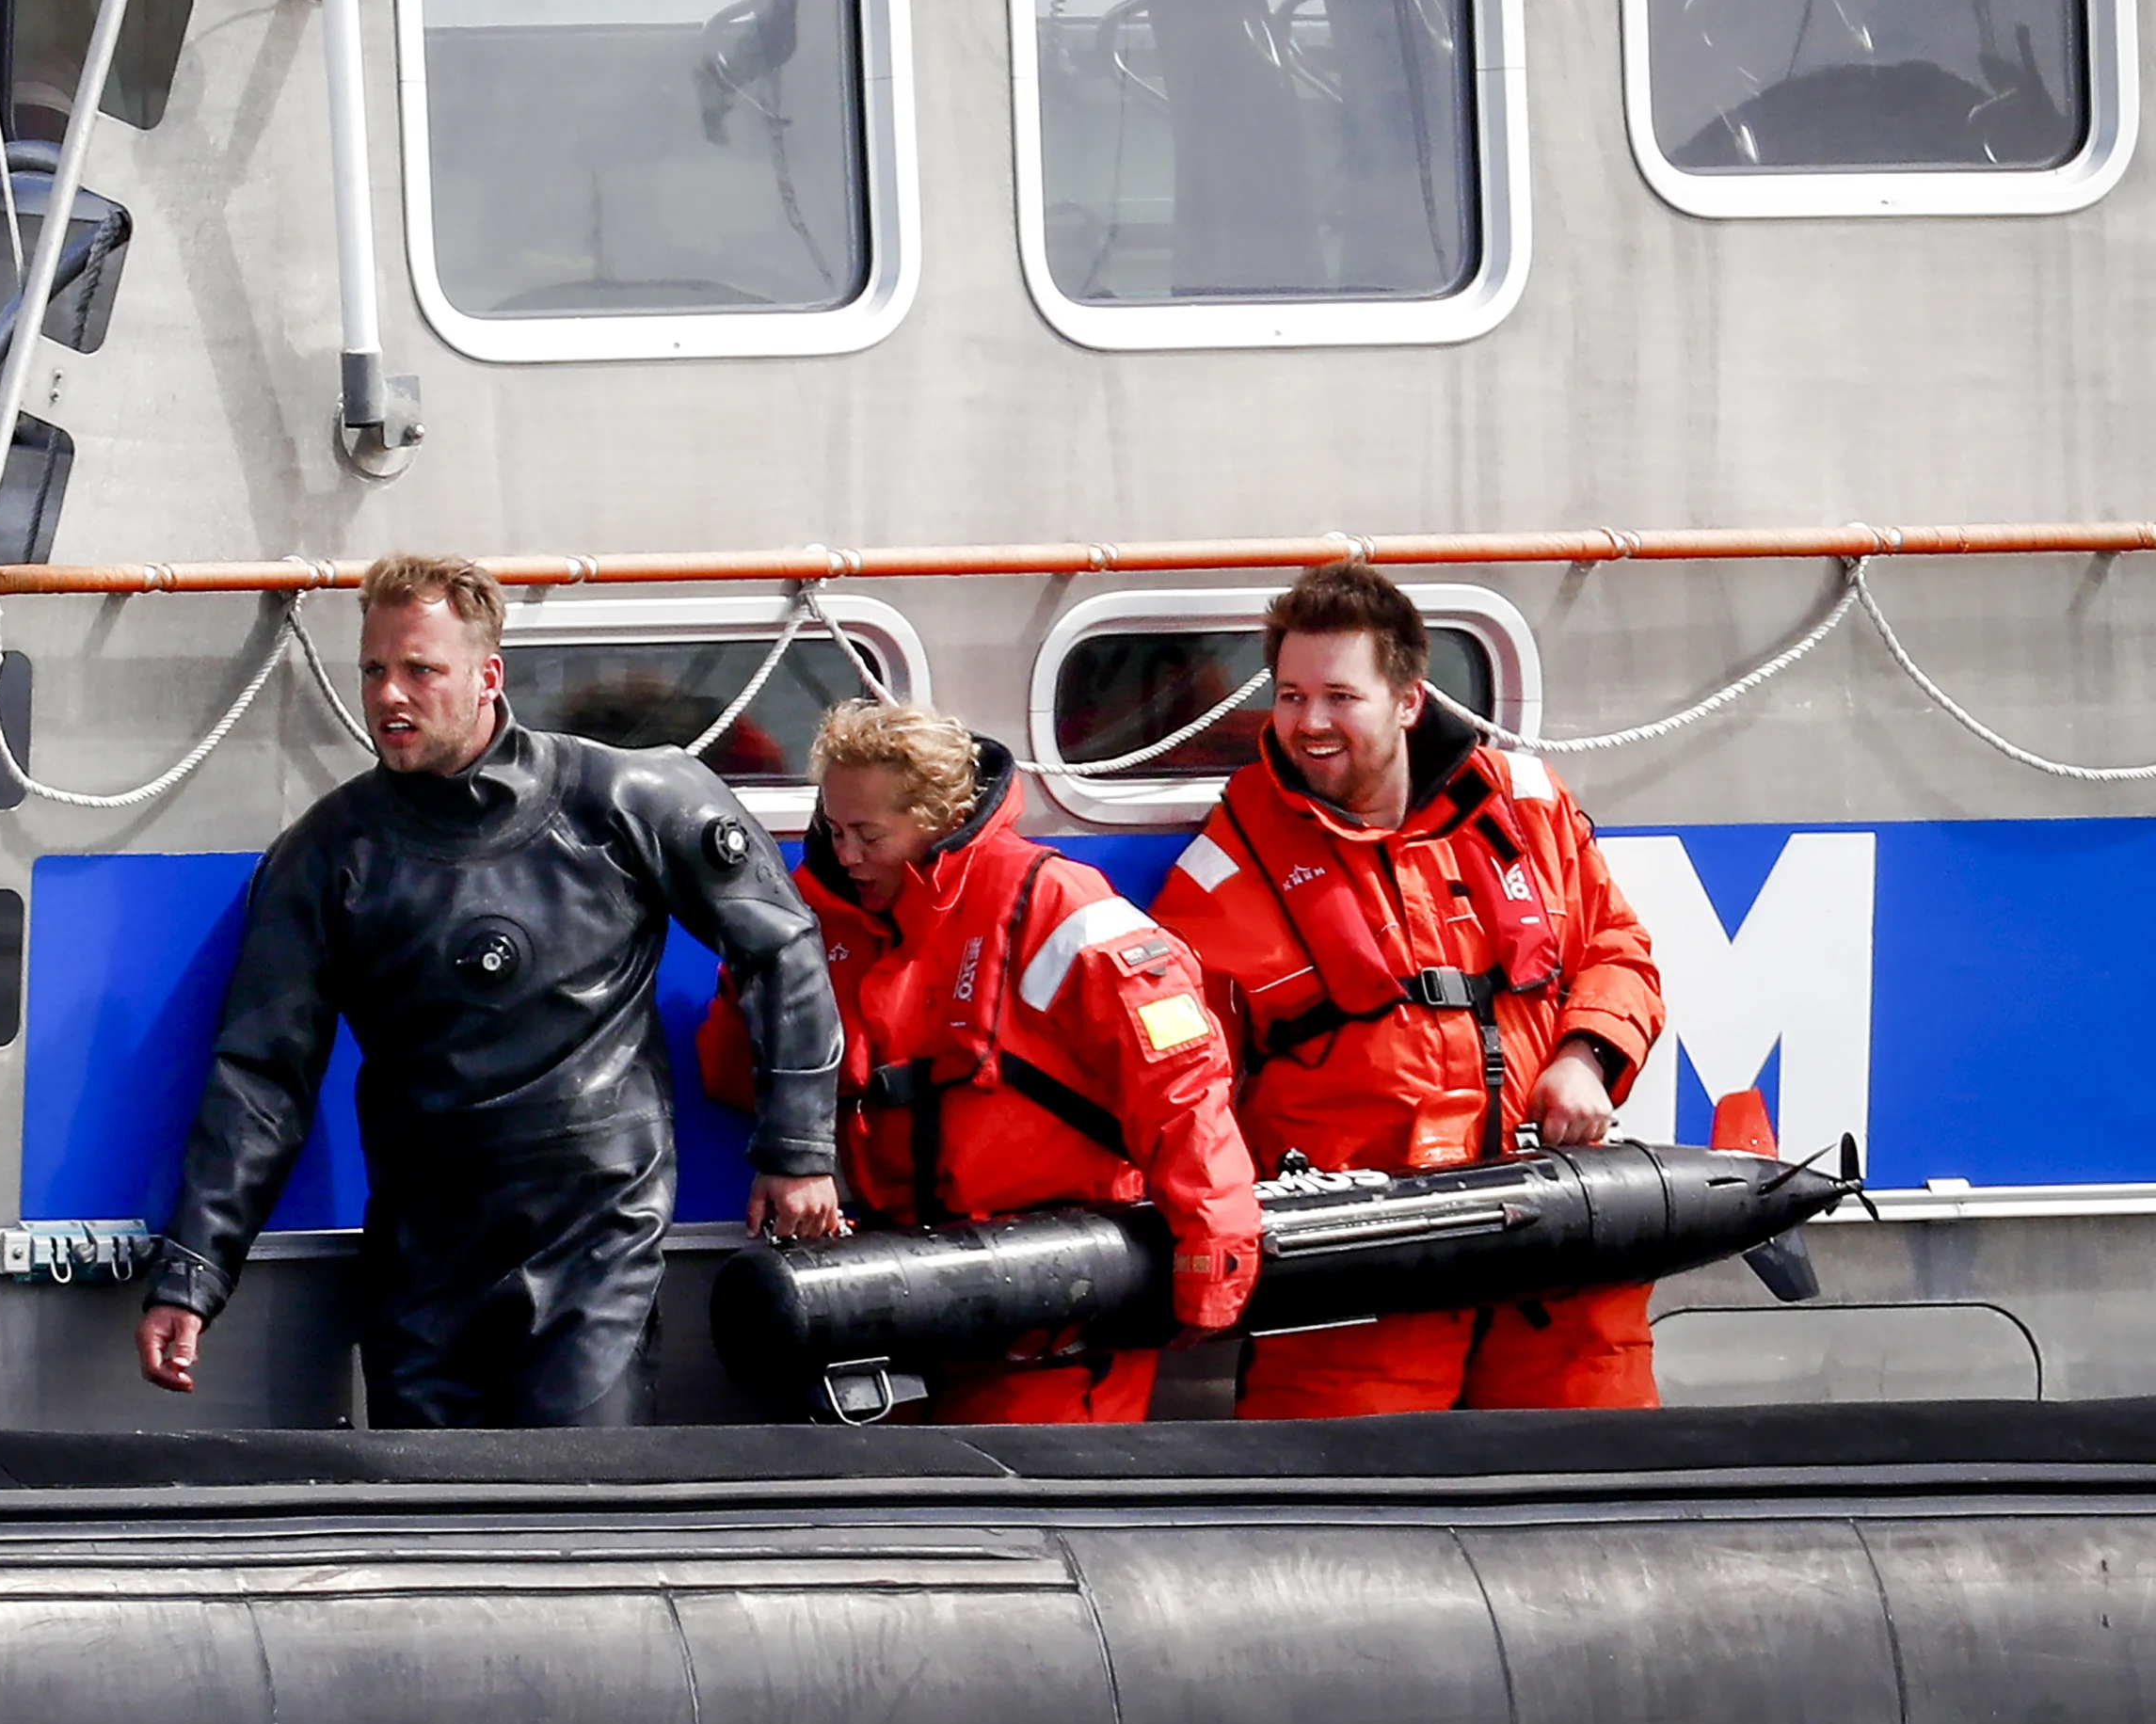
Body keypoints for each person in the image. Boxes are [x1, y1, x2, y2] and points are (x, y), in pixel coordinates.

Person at [138, 553, 846, 1428]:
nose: (390, 695)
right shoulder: (327, 856)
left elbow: (780, 947)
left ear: (486, 675)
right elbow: (262, 1077)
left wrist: (798, 1149)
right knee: (433, 1529)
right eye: (374, 669)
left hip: (593, 1240)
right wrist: (193, 1271)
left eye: (420, 670)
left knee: (580, 1514)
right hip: (422, 1253)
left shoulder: (625, 799)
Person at [1152, 559, 1669, 1418]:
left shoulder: (1526, 808)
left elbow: (1619, 948)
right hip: (1359, 1276)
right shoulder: (1227, 867)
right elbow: (1174, 1073)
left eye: (1338, 696)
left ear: (1406, 699)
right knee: (1344, 1521)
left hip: (1557, 1252)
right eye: (1288, 695)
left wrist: (1586, 1056)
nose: (1307, 721)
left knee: (1596, 1494)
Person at [698, 702, 1261, 1423]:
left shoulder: (1056, 904)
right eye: (833, 830)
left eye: (870, 835)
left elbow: (1182, 1090)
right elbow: (726, 1067)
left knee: (1039, 1510)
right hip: (893, 1293)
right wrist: (764, 962)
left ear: (936, 816)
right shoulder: (812, 916)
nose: (846, 856)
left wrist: (1214, 1260)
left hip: (1056, 1298)